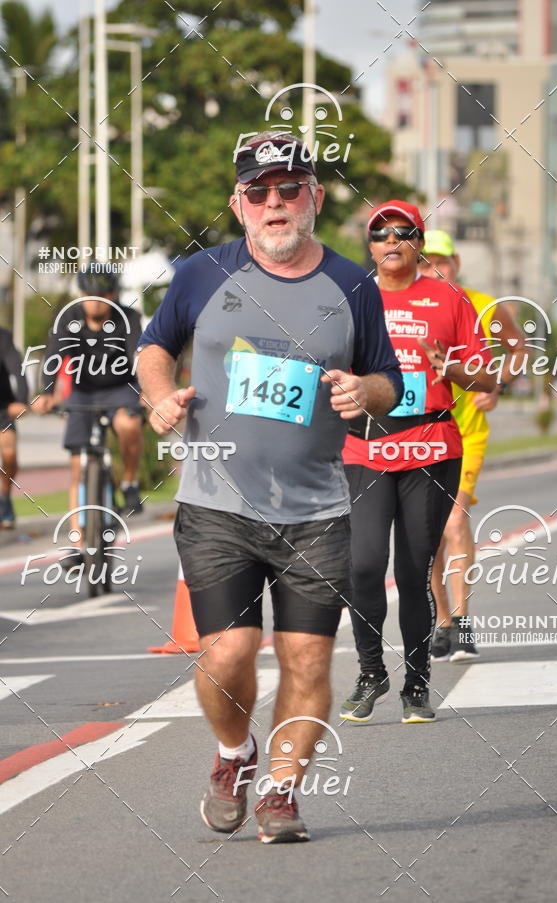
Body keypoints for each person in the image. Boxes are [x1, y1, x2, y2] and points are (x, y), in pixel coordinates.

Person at [137, 132, 403, 843]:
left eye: (290, 189)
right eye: (260, 192)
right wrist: (159, 397)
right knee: (226, 651)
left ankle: (282, 793)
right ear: (239, 204)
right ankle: (235, 753)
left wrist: (363, 391)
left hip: (317, 508)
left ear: (314, 197)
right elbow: (154, 346)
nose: (275, 203)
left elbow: (390, 381)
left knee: (307, 656)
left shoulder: (353, 285)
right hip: (217, 502)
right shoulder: (200, 274)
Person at [339, 201, 496, 726]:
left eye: (403, 233)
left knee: (412, 571)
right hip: (366, 447)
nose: (391, 241)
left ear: (419, 243)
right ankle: (369, 673)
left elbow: (487, 379)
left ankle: (416, 682)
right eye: (379, 233)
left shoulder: (449, 299)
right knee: (362, 565)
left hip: (430, 446)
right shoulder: (353, 297)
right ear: (370, 245)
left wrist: (449, 365)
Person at [419, 230, 526, 661]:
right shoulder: (407, 308)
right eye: (424, 262)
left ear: (456, 263)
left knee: (454, 521)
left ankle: (462, 621)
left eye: (440, 262)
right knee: (427, 538)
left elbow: (517, 349)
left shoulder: (485, 307)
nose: (433, 270)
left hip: (466, 435)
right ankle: (442, 620)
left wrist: (498, 384)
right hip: (416, 437)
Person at [32, 263, 144, 523]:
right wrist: (46, 393)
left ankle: (129, 483)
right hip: (83, 393)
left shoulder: (129, 318)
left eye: (102, 297)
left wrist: (145, 392)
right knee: (77, 467)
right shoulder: (68, 318)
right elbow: (54, 356)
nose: (95, 303)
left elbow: (137, 357)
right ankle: (77, 541)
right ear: (81, 295)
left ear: (113, 295)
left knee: (129, 424)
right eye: (88, 296)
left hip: (120, 389)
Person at [0, 328, 29, 527]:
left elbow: (18, 371)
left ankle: (4, 497)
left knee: (9, 456)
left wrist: (21, 401)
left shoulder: (3, 338)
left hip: (3, 406)